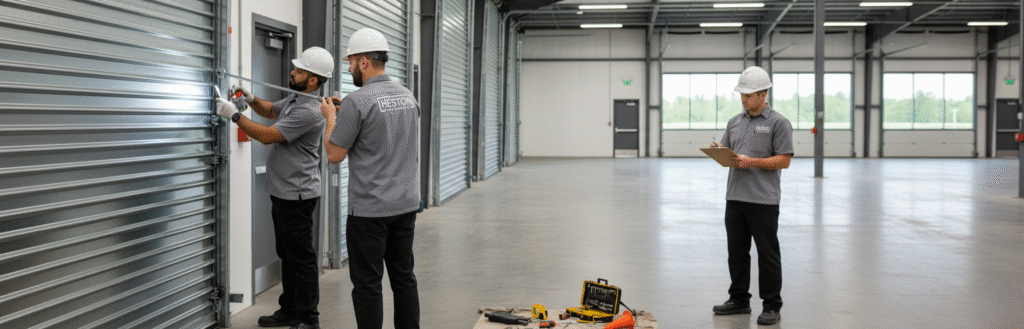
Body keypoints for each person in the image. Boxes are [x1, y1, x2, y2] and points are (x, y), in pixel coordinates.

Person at [215, 46, 334, 329]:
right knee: (288, 254)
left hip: (298, 194)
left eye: (299, 70)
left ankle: (308, 318)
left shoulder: (310, 111)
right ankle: (290, 310)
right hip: (284, 192)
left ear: (314, 80)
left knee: (301, 258)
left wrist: (234, 115)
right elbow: (270, 110)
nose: (292, 72)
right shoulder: (296, 99)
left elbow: (269, 136)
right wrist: (251, 99)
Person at [319, 27, 421, 329]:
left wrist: (331, 118)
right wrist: (345, 114)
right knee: (404, 278)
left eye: (351, 62)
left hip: (370, 211)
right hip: (404, 205)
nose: (349, 68)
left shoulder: (357, 101)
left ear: (364, 62)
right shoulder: (407, 95)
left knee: (367, 284)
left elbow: (334, 154)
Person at [709, 66, 793, 326]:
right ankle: (739, 300)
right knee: (736, 252)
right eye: (742, 95)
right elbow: (729, 153)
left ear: (763, 94)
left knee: (767, 254)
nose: (744, 99)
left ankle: (771, 305)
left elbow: (784, 160)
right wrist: (719, 151)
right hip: (735, 198)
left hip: (763, 201)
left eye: (749, 95)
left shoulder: (778, 123)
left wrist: (752, 162)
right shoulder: (735, 122)